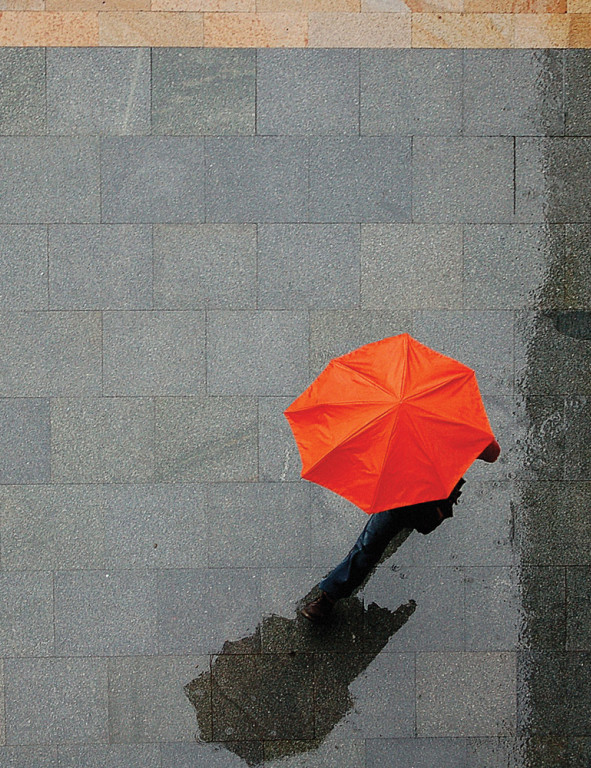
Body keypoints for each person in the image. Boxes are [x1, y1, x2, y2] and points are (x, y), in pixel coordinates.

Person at [300, 439, 501, 623]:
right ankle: (329, 596)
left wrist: (468, 438)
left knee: (404, 527)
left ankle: (329, 596)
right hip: (399, 490)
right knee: (369, 545)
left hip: (431, 495)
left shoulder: (455, 419)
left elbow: (492, 453)